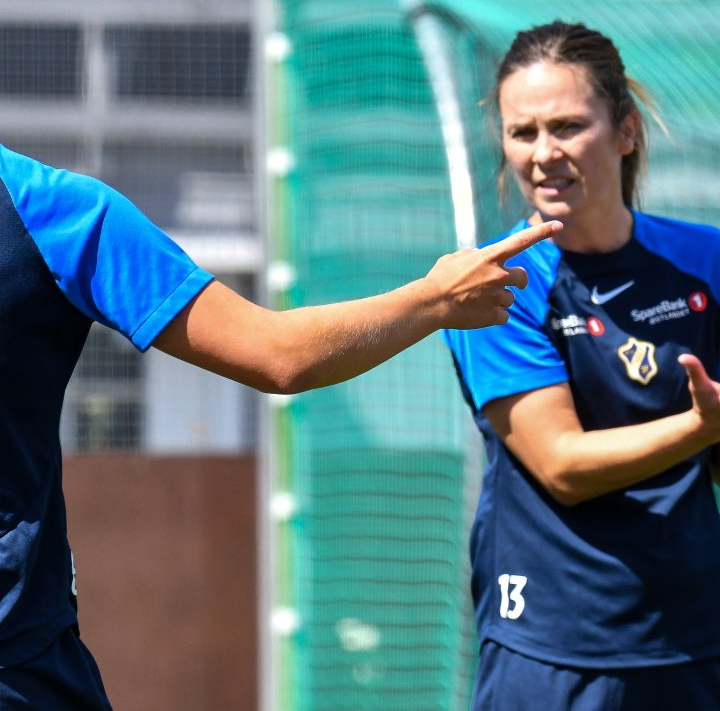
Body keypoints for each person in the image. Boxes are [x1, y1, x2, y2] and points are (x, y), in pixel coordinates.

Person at [0, 142, 561, 710]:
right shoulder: (51, 208)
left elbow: (278, 354)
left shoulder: (52, 213)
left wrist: (434, 298)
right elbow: (279, 355)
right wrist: (434, 297)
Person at [443, 20, 720, 710]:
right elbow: (564, 466)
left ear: (625, 131)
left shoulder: (706, 258)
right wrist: (703, 427)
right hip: (553, 646)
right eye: (521, 132)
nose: (543, 153)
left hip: (693, 635)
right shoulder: (495, 283)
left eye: (567, 126)